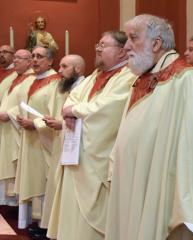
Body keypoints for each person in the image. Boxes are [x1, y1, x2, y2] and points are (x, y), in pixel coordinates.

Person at [105, 14, 193, 240]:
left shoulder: (184, 79)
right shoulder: (144, 76)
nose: (127, 46)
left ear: (156, 43)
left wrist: (191, 209)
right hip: (133, 180)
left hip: (158, 185)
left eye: (133, 38)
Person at [47, 31, 136, 240]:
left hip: (96, 159)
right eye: (98, 43)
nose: (97, 48)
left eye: (104, 45)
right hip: (76, 152)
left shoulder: (128, 77)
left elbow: (109, 108)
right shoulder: (94, 76)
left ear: (122, 52)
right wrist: (70, 109)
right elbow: (72, 98)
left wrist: (75, 112)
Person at [15, 46, 64, 234]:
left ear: (51, 61)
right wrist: (20, 118)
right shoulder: (32, 80)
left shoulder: (56, 83)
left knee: (46, 180)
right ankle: (36, 220)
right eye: (33, 56)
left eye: (39, 57)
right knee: (34, 178)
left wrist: (35, 123)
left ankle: (46, 225)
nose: (35, 60)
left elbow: (57, 112)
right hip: (31, 138)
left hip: (46, 140)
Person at [37, 54, 85, 237]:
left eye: (64, 66)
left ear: (78, 69)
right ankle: (52, 228)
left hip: (75, 147)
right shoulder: (68, 87)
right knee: (56, 185)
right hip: (63, 143)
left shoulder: (83, 86)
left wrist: (60, 124)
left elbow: (83, 116)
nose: (59, 70)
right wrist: (56, 121)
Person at [0, 49, 35, 207]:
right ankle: (9, 200)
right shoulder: (17, 77)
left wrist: (10, 113)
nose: (15, 61)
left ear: (29, 61)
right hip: (7, 127)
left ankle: (16, 202)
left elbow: (27, 102)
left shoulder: (32, 78)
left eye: (18, 58)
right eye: (14, 58)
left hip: (18, 126)